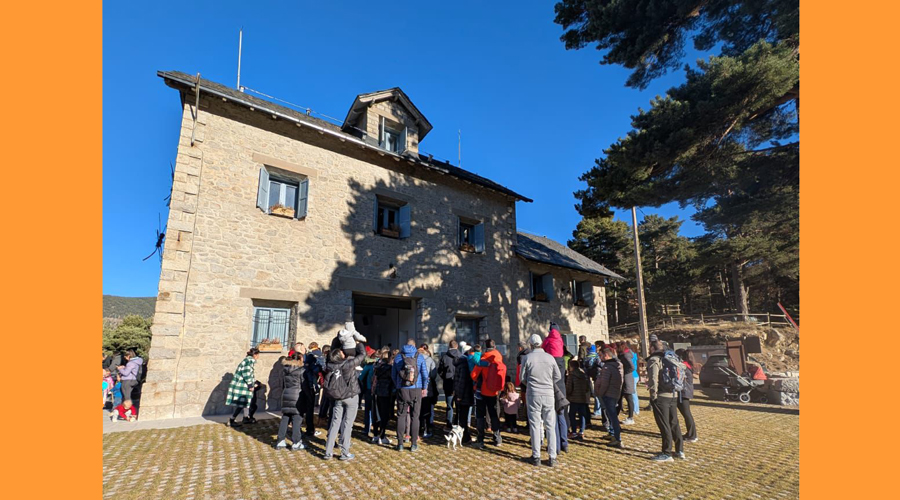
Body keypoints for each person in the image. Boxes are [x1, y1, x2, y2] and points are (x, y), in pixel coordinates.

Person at [521, 333, 562, 467]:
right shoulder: (550, 358)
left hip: (533, 393)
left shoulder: (527, 358)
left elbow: (522, 377)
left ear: (531, 345)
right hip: (548, 393)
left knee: (535, 424)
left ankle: (536, 455)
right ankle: (552, 457)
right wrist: (548, 383)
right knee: (550, 425)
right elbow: (558, 376)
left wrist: (531, 384)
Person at [322, 342, 366, 461]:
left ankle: (328, 452)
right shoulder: (348, 364)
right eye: (341, 352)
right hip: (350, 396)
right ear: (339, 355)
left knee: (335, 423)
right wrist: (359, 344)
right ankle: (345, 452)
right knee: (347, 424)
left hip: (337, 397)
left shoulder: (329, 365)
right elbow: (363, 355)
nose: (343, 353)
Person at [647, 341, 684, 461]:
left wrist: (653, 396)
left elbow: (653, 379)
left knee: (664, 424)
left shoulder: (655, 360)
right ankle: (679, 450)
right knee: (674, 423)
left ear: (652, 348)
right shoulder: (670, 358)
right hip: (674, 394)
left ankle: (666, 453)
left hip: (662, 396)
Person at [392, 340, 428, 452]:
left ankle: (400, 444)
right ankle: (413, 444)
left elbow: (393, 375)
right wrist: (424, 387)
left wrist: (397, 385)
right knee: (415, 417)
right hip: (416, 389)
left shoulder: (398, 357)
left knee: (401, 416)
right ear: (414, 346)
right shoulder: (419, 356)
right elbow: (425, 374)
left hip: (402, 389)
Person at [471, 343, 506, 448]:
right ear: (495, 346)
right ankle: (497, 438)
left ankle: (480, 439)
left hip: (482, 391)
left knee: (480, 414)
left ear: (485, 347)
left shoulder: (483, 358)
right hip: (494, 391)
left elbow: (473, 375)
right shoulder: (499, 357)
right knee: (494, 414)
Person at [543, 322, 568, 454]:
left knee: (552, 418)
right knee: (561, 416)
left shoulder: (548, 340)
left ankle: (556, 447)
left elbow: (542, 349)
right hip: (561, 388)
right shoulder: (561, 341)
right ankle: (565, 443)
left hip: (552, 389)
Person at [275, 352, 306, 451]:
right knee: (297, 419)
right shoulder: (301, 370)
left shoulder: (285, 369)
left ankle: (280, 440)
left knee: (285, 418)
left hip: (286, 394)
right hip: (297, 396)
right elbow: (303, 384)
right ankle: (296, 442)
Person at [596, 347, 624, 448]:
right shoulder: (617, 365)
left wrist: (600, 393)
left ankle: (617, 438)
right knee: (610, 414)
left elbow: (604, 382)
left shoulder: (608, 367)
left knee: (612, 416)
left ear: (606, 355)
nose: (600, 358)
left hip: (608, 393)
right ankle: (612, 434)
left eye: (601, 355)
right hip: (615, 393)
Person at [226, 348, 259, 427]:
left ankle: (245, 418)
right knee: (242, 403)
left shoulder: (247, 361)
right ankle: (231, 420)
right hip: (243, 386)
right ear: (255, 355)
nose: (258, 357)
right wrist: (250, 385)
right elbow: (246, 374)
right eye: (258, 355)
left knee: (245, 402)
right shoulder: (248, 361)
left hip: (243, 385)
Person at [371, 348, 395, 445]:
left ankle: (375, 435)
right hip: (386, 393)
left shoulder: (376, 367)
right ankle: (382, 435)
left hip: (377, 391)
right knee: (384, 415)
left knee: (376, 414)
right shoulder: (390, 368)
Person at [452, 343, 475, 443]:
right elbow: (462, 381)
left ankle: (461, 435)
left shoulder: (461, 362)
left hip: (461, 394)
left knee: (461, 416)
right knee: (463, 417)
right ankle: (465, 437)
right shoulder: (465, 364)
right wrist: (460, 396)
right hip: (464, 394)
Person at [302, 342, 325, 438]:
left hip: (305, 384)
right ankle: (310, 430)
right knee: (310, 407)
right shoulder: (317, 355)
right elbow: (320, 368)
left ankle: (302, 428)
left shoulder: (307, 356)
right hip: (312, 383)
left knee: (305, 407)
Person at [437, 340, 461, 429]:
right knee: (459, 405)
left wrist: (445, 377)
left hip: (448, 383)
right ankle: (458, 423)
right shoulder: (461, 356)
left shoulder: (445, 357)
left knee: (449, 405)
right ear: (457, 346)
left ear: (449, 346)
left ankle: (449, 423)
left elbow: (440, 370)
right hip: (459, 384)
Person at [565, 359, 590, 440]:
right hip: (582, 397)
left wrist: (567, 394)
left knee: (572, 415)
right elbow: (587, 386)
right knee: (582, 414)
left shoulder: (571, 375)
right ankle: (582, 431)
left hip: (573, 398)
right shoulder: (584, 374)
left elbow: (569, 388)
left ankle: (574, 431)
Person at [677, 349, 698, 443]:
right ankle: (690, 433)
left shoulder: (683, 366)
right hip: (687, 391)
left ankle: (692, 435)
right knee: (686, 414)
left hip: (684, 392)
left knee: (687, 414)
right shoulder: (688, 365)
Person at [419, 344, 438, 438]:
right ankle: (428, 428)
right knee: (428, 409)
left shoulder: (416, 359)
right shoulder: (430, 360)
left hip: (417, 387)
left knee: (418, 408)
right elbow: (434, 375)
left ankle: (419, 427)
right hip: (428, 387)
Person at [359, 346, 377, 437]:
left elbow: (360, 377)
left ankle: (367, 428)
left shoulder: (369, 366)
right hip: (379, 391)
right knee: (377, 410)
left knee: (368, 409)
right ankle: (376, 428)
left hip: (369, 389)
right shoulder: (381, 364)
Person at [618, 343, 637, 425]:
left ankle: (631, 417)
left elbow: (632, 367)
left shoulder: (625, 356)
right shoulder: (623, 355)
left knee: (629, 398)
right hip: (625, 378)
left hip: (627, 379)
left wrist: (624, 373)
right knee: (620, 398)